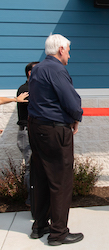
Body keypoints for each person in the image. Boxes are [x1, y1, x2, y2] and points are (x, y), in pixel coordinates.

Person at [28, 34, 84, 246]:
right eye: (68, 49)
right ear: (61, 49)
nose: (69, 53)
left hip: (36, 127)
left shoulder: (39, 68)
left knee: (42, 177)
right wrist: (76, 117)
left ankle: (40, 225)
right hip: (55, 131)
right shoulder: (57, 69)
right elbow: (70, 101)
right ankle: (58, 233)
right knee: (61, 181)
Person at [17, 61, 39, 207]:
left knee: (37, 167)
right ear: (30, 73)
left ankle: (37, 200)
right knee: (31, 167)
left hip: (34, 132)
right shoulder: (24, 89)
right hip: (27, 133)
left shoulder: (36, 88)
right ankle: (31, 201)